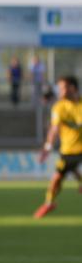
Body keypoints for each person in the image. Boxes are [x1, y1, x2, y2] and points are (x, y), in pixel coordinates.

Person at [34, 76, 82, 218]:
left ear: (72, 88)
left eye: (63, 87)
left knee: (64, 174)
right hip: (68, 150)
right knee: (57, 178)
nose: (60, 91)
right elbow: (54, 129)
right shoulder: (59, 107)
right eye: (59, 88)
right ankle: (48, 203)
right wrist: (47, 147)